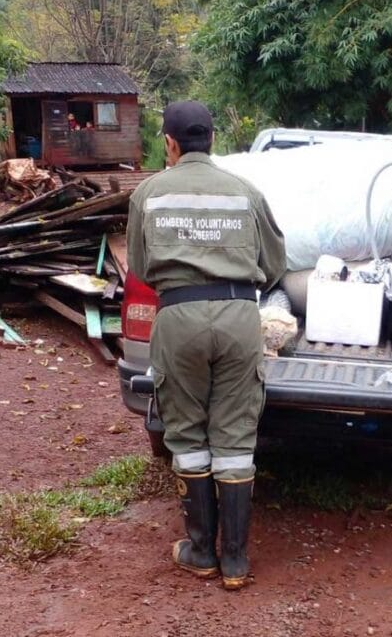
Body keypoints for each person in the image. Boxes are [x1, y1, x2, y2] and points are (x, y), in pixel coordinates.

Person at [127, 101, 286, 589]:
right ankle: (235, 561)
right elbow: (275, 264)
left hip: (178, 317)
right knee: (236, 439)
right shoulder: (246, 192)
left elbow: (139, 265)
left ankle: (200, 551)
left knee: (188, 434)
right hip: (240, 316)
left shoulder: (148, 193)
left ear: (170, 143)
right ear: (212, 139)